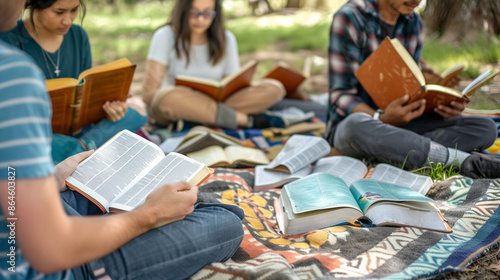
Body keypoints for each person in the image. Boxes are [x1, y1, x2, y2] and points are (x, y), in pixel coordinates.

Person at [0, 2, 244, 279]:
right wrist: (145, 217)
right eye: (59, 11)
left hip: (44, 209)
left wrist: (52, 177)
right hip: (57, 263)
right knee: (225, 222)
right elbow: (50, 249)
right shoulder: (11, 71)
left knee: (181, 195)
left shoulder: (67, 41)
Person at [326, 0, 500, 179]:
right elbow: (341, 95)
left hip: (404, 124)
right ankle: (465, 161)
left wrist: (443, 105)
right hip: (358, 127)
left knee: (485, 128)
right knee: (355, 125)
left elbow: (411, 84)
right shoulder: (350, 17)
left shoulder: (413, 22)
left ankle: (394, 152)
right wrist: (382, 118)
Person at [0, 0, 147, 164]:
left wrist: (109, 107)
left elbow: (83, 94)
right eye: (59, 12)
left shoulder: (78, 35)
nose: (67, 20)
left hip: (78, 129)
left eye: (74, 11)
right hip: (36, 134)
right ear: (34, 5)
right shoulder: (8, 39)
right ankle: (84, 151)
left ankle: (76, 152)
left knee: (137, 112)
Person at [142, 0, 292, 129]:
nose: (200, 19)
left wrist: (204, 105)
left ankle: (196, 119)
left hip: (214, 104)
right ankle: (247, 120)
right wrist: (191, 98)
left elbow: (233, 87)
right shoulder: (165, 36)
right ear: (183, 11)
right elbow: (149, 95)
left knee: (274, 88)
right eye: (194, 13)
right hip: (177, 103)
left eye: (208, 13)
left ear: (216, 13)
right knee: (166, 98)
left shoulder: (226, 38)